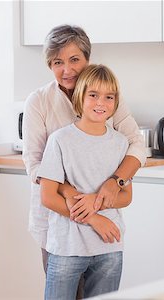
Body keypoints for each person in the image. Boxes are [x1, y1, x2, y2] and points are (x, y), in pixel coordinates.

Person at [22, 25, 146, 289]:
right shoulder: (39, 101)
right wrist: (83, 208)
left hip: (103, 231)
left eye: (74, 59)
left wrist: (116, 182)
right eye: (58, 62)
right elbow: (35, 166)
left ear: (87, 59)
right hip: (59, 223)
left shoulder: (108, 98)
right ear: (49, 65)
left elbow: (136, 144)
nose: (67, 70)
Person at [38, 64, 130, 299]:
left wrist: (94, 202)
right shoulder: (60, 140)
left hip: (109, 247)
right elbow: (48, 197)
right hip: (67, 247)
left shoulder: (121, 144)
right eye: (93, 95)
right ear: (79, 97)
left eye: (109, 97)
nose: (101, 103)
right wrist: (94, 217)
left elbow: (126, 196)